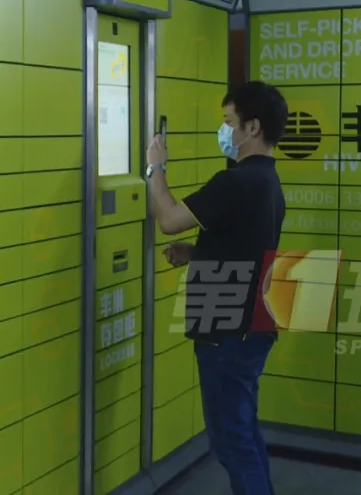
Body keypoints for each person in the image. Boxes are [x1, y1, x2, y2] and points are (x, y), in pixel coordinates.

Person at [145, 80, 288, 495]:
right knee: (243, 432)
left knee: (231, 441)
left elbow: (169, 219)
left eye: (229, 121)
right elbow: (246, 247)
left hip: (227, 329)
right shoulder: (267, 181)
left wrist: (156, 167)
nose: (224, 130)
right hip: (252, 325)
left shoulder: (235, 181)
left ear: (252, 127)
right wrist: (197, 254)